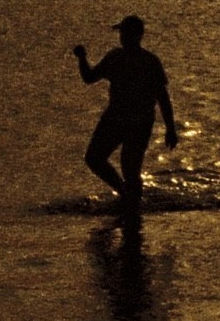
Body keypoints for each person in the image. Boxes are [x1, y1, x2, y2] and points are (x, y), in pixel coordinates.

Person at [73, 15, 179, 210]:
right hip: (115, 118)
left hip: (140, 122)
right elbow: (89, 77)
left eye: (125, 33)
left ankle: (133, 203)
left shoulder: (149, 62)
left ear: (137, 36)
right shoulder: (115, 57)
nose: (122, 37)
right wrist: (82, 58)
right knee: (94, 158)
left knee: (130, 168)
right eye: (121, 33)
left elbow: (163, 97)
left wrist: (170, 128)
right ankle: (125, 193)